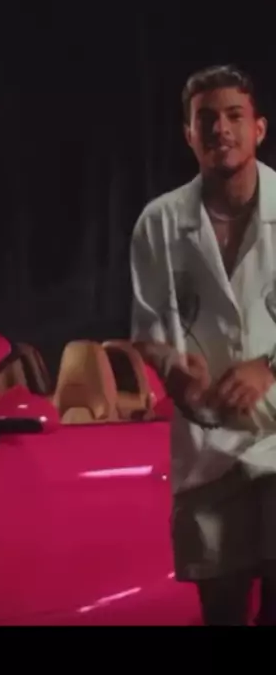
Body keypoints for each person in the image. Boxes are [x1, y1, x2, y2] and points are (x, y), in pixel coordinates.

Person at [130, 65, 276, 625]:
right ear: (188, 134)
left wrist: (267, 367)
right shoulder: (159, 223)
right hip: (207, 449)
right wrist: (172, 368)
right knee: (221, 609)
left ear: (258, 128)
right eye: (206, 118)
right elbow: (148, 332)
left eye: (234, 115)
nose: (220, 128)